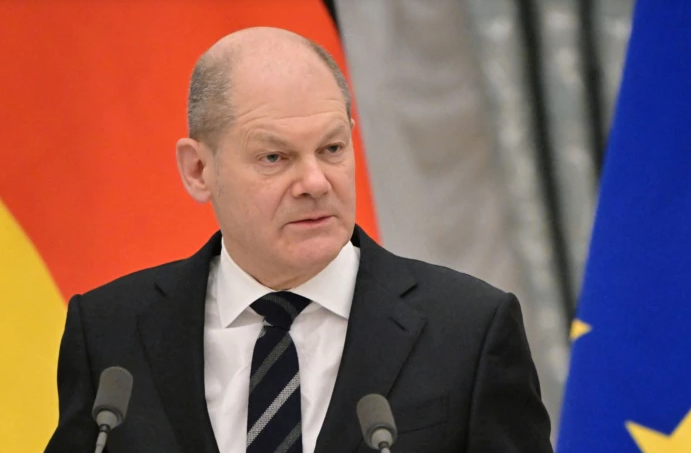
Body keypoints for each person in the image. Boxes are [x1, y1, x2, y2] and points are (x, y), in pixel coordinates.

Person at [44, 27, 552, 453]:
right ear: (198, 170)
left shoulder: (468, 331)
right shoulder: (111, 333)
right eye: (275, 157)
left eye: (332, 149)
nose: (315, 182)